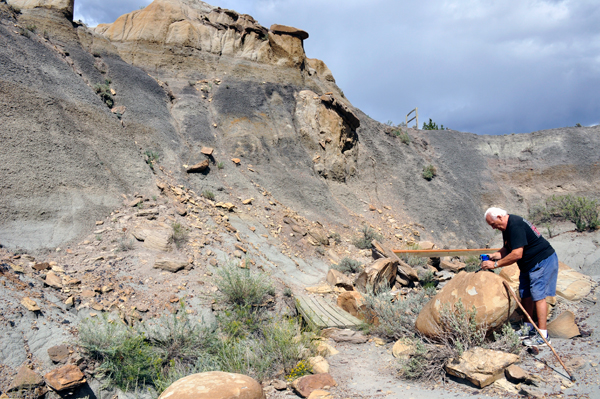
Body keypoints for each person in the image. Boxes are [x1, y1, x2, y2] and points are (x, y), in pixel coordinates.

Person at [481, 207, 559, 347]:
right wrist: (493, 256)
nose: (493, 228)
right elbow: (507, 249)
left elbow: (517, 254)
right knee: (525, 294)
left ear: (499, 217)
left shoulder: (515, 224)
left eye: (493, 224)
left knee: (538, 296)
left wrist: (495, 265)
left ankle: (543, 335)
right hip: (527, 265)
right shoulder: (506, 227)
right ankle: (527, 328)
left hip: (541, 261)